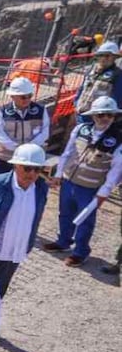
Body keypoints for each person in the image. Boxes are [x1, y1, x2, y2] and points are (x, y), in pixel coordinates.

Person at [43, 96, 122, 267]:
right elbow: (68, 152)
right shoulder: (81, 130)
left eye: (110, 115)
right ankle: (63, 242)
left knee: (85, 220)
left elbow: (116, 170)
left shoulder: (118, 140)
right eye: (101, 115)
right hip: (69, 180)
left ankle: (81, 252)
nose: (105, 118)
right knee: (65, 213)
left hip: (90, 187)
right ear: (93, 116)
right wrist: (58, 174)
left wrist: (104, 192)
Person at [0, 144, 49, 297]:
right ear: (15, 166)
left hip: (12, 257)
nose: (32, 174)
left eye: (37, 169)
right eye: (27, 168)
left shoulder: (41, 189)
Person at [0, 77, 49, 176]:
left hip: (30, 160)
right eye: (23, 97)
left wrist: (28, 148)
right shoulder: (1, 112)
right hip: (5, 158)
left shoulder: (41, 110)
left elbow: (44, 132)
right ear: (12, 96)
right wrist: (17, 148)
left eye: (29, 96)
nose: (27, 99)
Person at [74, 41, 122, 118]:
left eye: (107, 56)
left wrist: (106, 116)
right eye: (101, 55)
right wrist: (76, 103)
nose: (103, 58)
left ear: (114, 57)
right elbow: (81, 89)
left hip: (99, 118)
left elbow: (118, 99)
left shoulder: (118, 75)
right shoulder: (90, 71)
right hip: (81, 114)